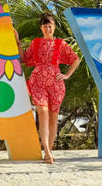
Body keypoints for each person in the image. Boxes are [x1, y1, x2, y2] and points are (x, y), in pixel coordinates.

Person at [22, 13, 80, 163]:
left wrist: (67, 75)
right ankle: (47, 152)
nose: (48, 29)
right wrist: (17, 43)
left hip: (56, 84)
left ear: (54, 27)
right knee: (42, 112)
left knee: (53, 117)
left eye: (50, 26)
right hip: (38, 81)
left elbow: (76, 59)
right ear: (41, 28)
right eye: (45, 26)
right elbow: (24, 58)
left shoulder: (61, 44)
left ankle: (49, 150)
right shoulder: (35, 43)